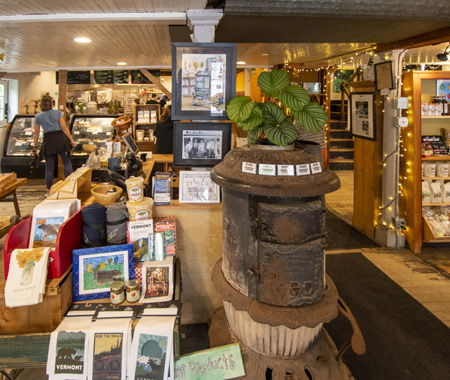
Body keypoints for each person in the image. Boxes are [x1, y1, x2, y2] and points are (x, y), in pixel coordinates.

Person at [33, 94, 77, 195]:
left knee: (49, 168)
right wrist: (71, 140)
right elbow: (64, 128)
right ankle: (71, 188)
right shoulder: (58, 113)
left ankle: (49, 191)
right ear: (52, 103)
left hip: (48, 141)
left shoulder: (38, 116)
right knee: (67, 163)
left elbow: (36, 133)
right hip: (61, 139)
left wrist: (34, 146)